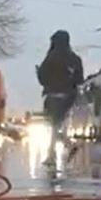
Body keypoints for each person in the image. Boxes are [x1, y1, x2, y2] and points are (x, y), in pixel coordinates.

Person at [36, 30, 84, 164]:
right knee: (57, 125)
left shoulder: (51, 57)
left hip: (53, 95)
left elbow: (42, 78)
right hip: (69, 96)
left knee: (54, 125)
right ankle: (55, 152)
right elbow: (80, 80)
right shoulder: (75, 59)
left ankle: (62, 149)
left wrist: (40, 73)